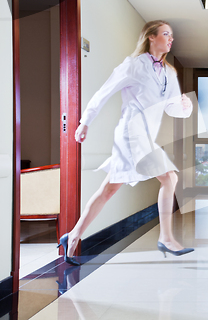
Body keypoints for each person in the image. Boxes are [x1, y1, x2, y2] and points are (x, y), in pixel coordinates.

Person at [57, 20, 194, 266]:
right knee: (170, 177)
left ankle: (73, 235)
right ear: (151, 37)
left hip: (145, 137)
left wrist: (186, 107)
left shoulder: (169, 73)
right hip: (130, 134)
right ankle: (166, 238)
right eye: (165, 34)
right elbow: (104, 92)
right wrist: (84, 122)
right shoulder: (133, 66)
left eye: (172, 35)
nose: (171, 39)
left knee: (109, 189)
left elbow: (173, 108)